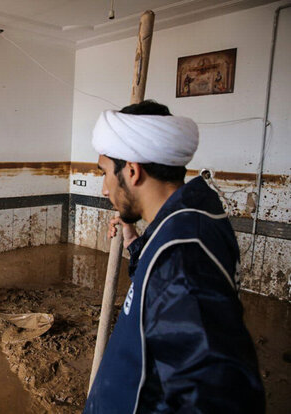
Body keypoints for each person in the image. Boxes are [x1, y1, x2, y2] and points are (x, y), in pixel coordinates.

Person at [84, 100, 264, 413]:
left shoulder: (182, 255)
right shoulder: (192, 217)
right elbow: (159, 289)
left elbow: (218, 397)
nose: (103, 189)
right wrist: (134, 241)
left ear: (131, 170)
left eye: (104, 173)